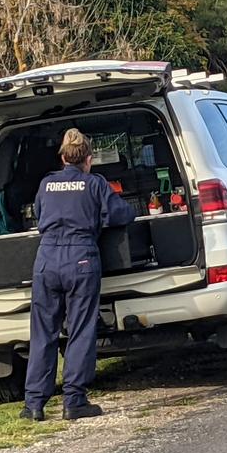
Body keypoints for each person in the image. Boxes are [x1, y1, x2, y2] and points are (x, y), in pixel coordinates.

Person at [21, 128, 135, 421]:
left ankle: (34, 404)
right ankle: (74, 401)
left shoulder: (46, 184)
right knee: (81, 329)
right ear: (88, 159)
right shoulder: (94, 184)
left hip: (46, 260)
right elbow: (119, 215)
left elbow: (37, 212)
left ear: (62, 157)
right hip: (81, 258)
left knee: (43, 332)